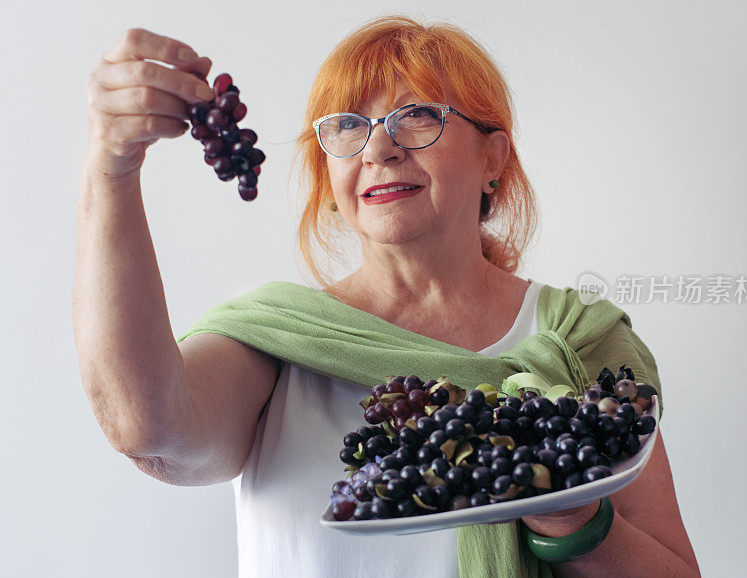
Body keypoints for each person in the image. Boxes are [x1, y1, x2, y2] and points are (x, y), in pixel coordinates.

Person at [74, 16, 701, 578]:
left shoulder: (577, 340)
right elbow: (145, 428)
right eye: (348, 127)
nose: (378, 148)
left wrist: (572, 521)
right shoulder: (278, 339)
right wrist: (112, 169)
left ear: (494, 158)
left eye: (418, 117)